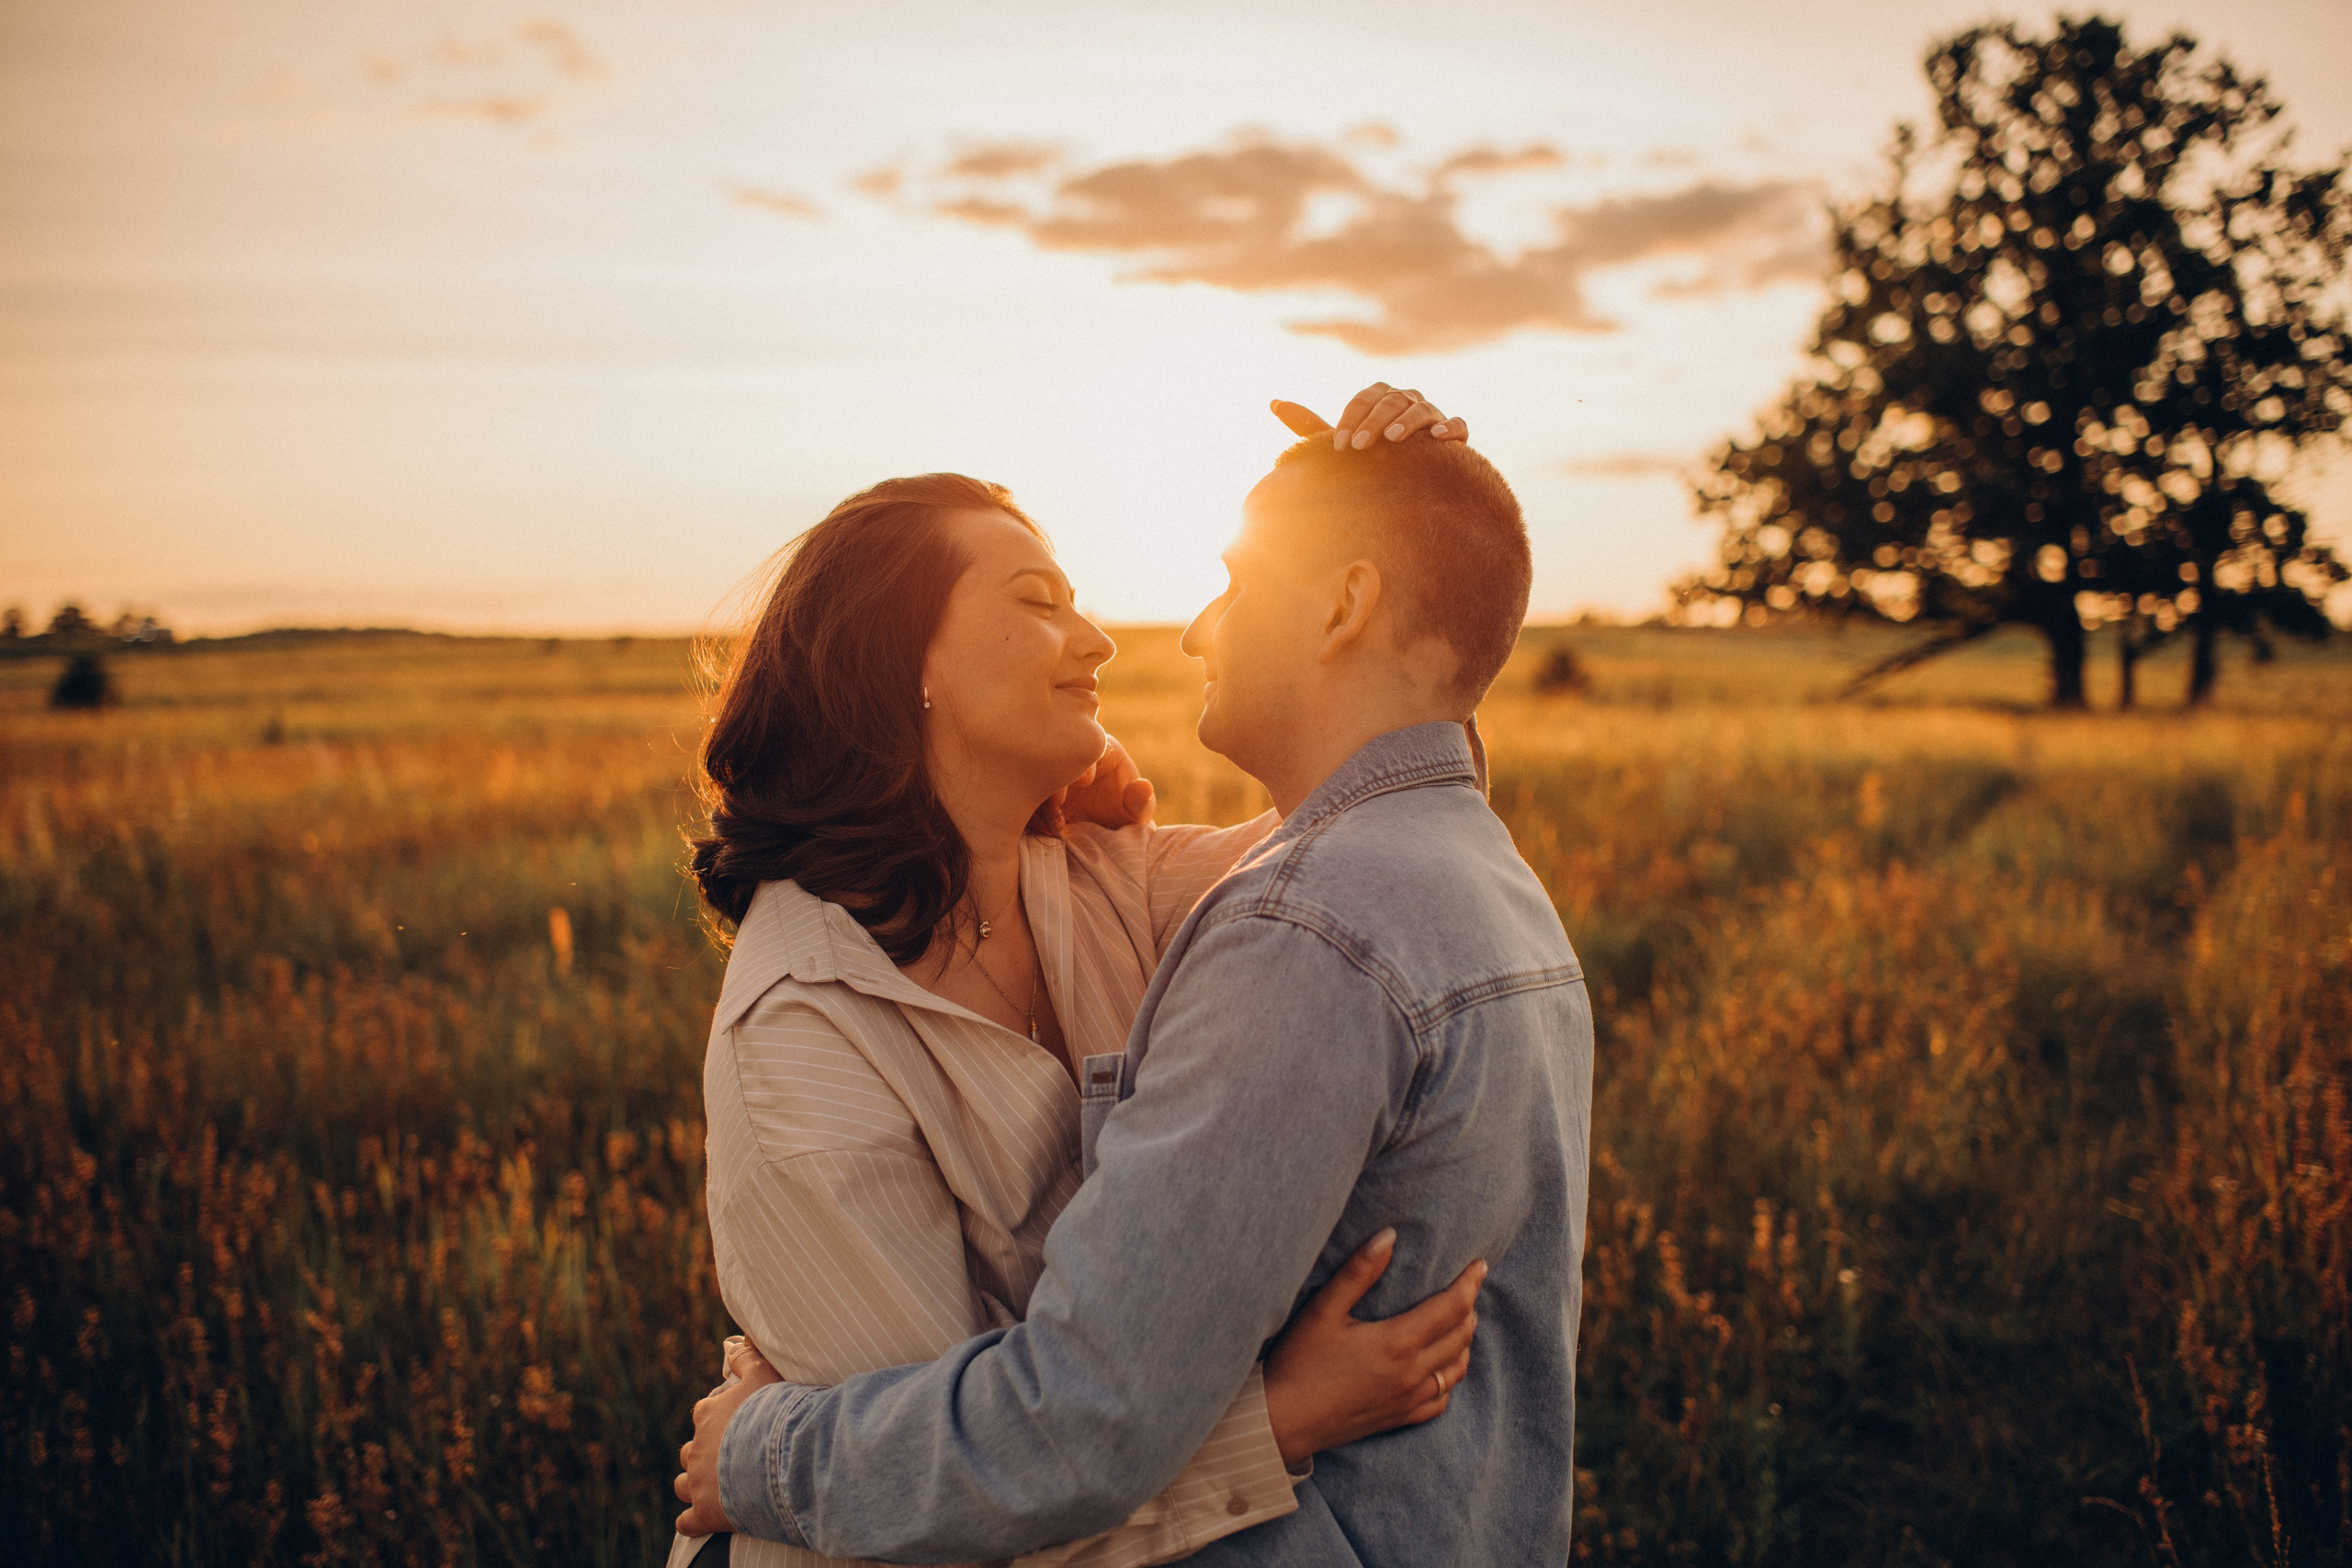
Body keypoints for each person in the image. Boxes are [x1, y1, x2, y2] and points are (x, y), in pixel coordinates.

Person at [676, 399, 1594, 1565]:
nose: (1114, 640)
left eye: (1233, 586)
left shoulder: (1143, 888)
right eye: (1038, 603)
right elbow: (946, 1514)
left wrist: (1433, 507)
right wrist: (1278, 1418)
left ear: (1345, 605)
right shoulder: (803, 1026)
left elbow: (1368, 850)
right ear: (898, 663)